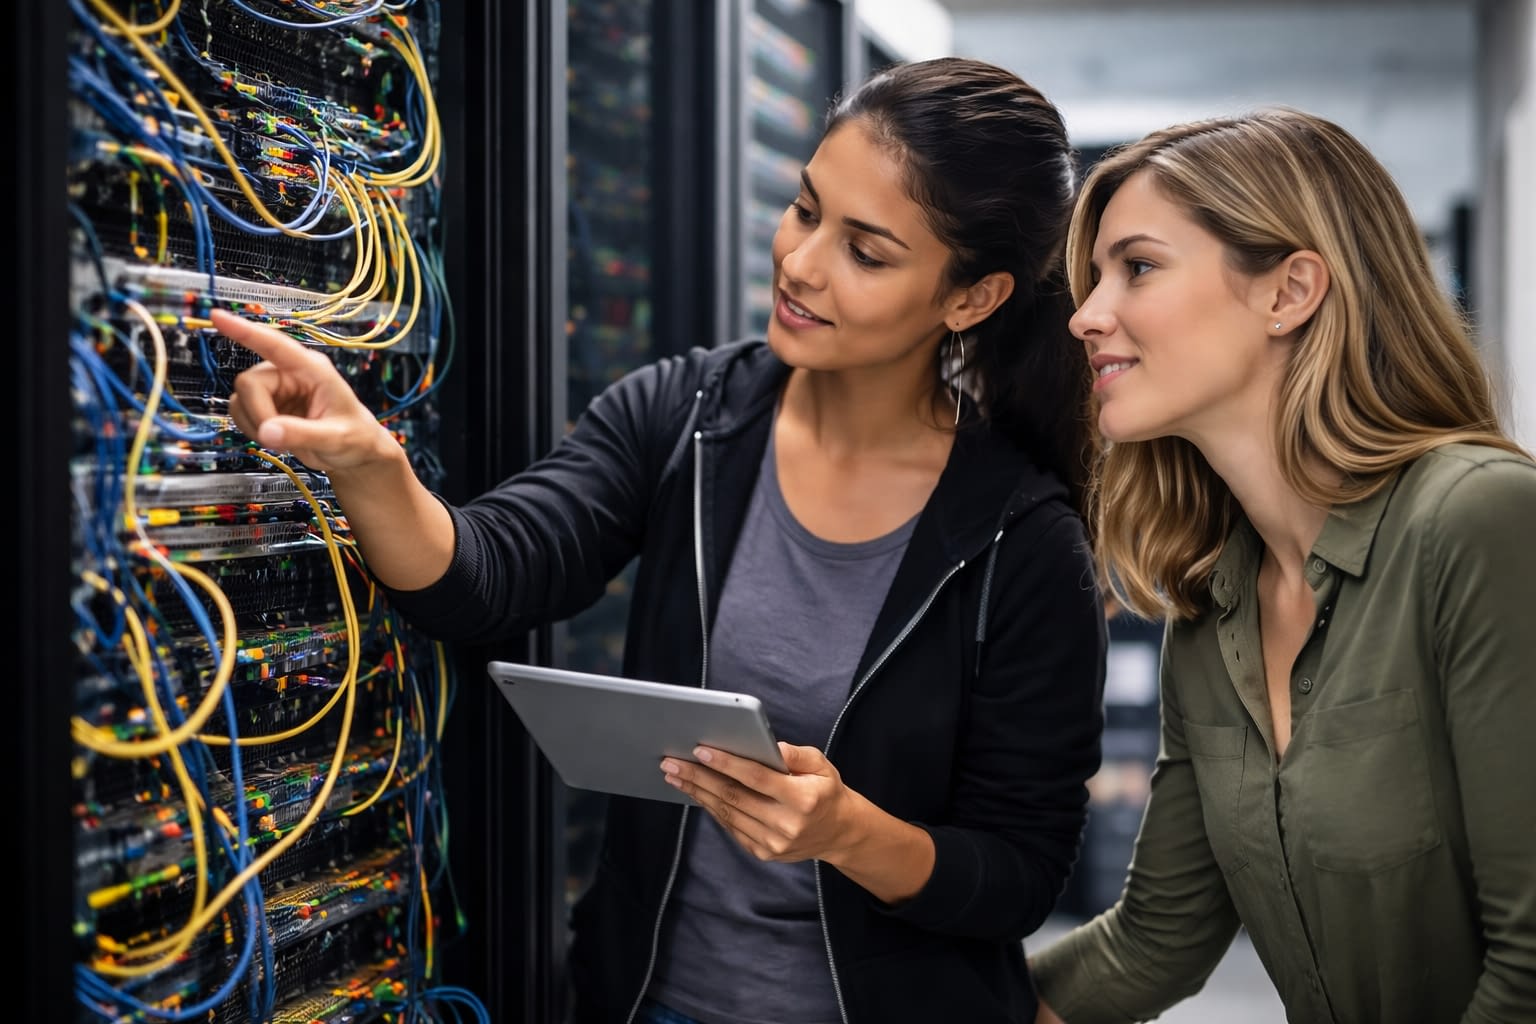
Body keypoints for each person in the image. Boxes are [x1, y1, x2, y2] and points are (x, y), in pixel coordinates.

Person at [213, 56, 1107, 1024]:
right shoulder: (684, 416)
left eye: (867, 251)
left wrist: (850, 831)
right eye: (806, 210)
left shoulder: (1023, 540)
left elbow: (1019, 873)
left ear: (970, 298)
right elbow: (489, 575)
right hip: (648, 1003)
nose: (801, 263)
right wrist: (368, 463)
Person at [1028, 107, 1536, 1024]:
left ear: (1290, 290)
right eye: (1094, 278)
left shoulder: (1479, 521)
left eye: (1136, 268)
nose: (1087, 315)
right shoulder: (1213, 609)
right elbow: (1155, 941)